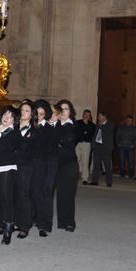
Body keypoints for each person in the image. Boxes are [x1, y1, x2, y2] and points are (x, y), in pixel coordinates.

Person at [0, 106, 20, 245]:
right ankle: (3, 221)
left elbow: (6, 147)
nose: (6, 118)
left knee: (6, 196)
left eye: (10, 117)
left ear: (14, 121)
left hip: (8, 167)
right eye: (5, 114)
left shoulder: (14, 133)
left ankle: (9, 225)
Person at [31, 99, 56, 238]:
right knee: (34, 194)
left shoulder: (47, 128)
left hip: (43, 165)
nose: (39, 116)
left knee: (42, 195)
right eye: (37, 113)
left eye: (42, 113)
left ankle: (44, 224)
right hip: (32, 165)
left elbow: (41, 147)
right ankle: (34, 219)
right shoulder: (32, 126)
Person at [54, 99, 78, 232]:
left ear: (71, 112)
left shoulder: (73, 126)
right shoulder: (54, 125)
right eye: (61, 109)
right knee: (59, 194)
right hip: (55, 163)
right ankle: (61, 221)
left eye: (66, 109)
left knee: (69, 193)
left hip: (69, 163)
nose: (63, 111)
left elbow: (68, 141)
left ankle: (70, 222)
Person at [15, 101, 37, 239]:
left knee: (24, 194)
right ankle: (16, 221)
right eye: (22, 110)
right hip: (12, 164)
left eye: (27, 110)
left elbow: (24, 147)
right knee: (14, 193)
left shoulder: (33, 130)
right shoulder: (14, 126)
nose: (23, 112)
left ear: (31, 114)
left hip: (25, 165)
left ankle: (25, 225)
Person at [90, 111, 114, 187]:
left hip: (106, 149)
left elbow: (108, 131)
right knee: (96, 165)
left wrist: (101, 126)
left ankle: (109, 182)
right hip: (97, 148)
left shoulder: (111, 124)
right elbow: (95, 135)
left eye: (99, 116)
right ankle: (94, 181)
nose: (98, 118)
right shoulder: (98, 125)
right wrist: (93, 145)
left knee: (107, 166)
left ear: (104, 117)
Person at [74, 109, 95, 185]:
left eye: (88, 115)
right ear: (83, 115)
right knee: (75, 160)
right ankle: (74, 177)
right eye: (85, 114)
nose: (86, 116)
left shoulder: (92, 125)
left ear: (90, 116)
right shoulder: (78, 123)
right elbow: (76, 133)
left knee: (86, 161)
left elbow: (91, 135)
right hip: (78, 144)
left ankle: (85, 178)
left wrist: (86, 129)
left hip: (87, 144)